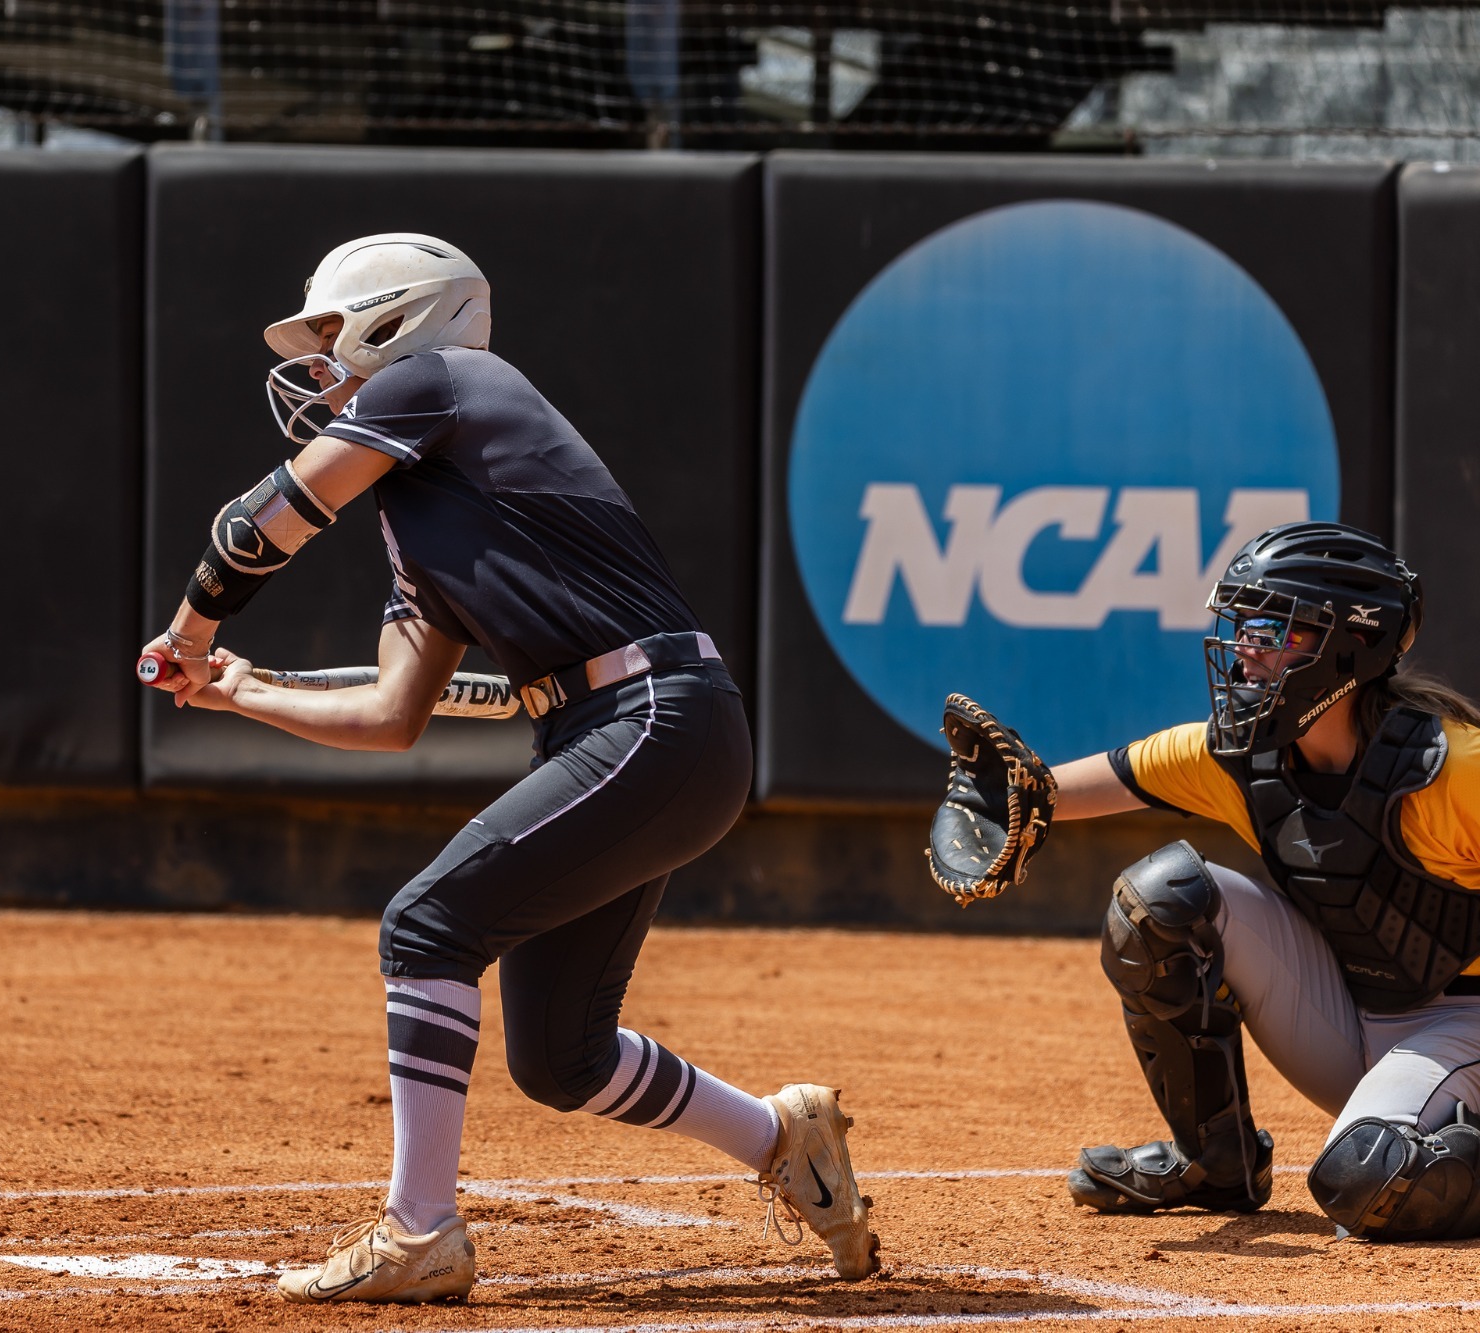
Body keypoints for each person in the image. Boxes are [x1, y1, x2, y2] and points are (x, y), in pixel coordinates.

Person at [140, 233, 878, 1303]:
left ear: (399, 321)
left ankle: (418, 1230)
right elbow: (395, 714)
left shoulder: (441, 379)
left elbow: (265, 521)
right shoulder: (425, 510)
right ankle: (781, 1135)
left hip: (649, 719)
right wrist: (238, 689)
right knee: (560, 1056)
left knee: (426, 926)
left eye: (329, 339)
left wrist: (189, 629)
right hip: (621, 736)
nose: (316, 371)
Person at [1005, 521, 1480, 1241]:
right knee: (1157, 899)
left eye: (1276, 629)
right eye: (1247, 625)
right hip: (1350, 1014)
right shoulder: (1240, 753)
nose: (1248, 649)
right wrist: (1003, 801)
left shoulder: (1452, 766)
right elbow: (1058, 791)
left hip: (1461, 1026)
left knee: (1368, 1178)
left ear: (1348, 648)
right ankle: (1215, 1162)